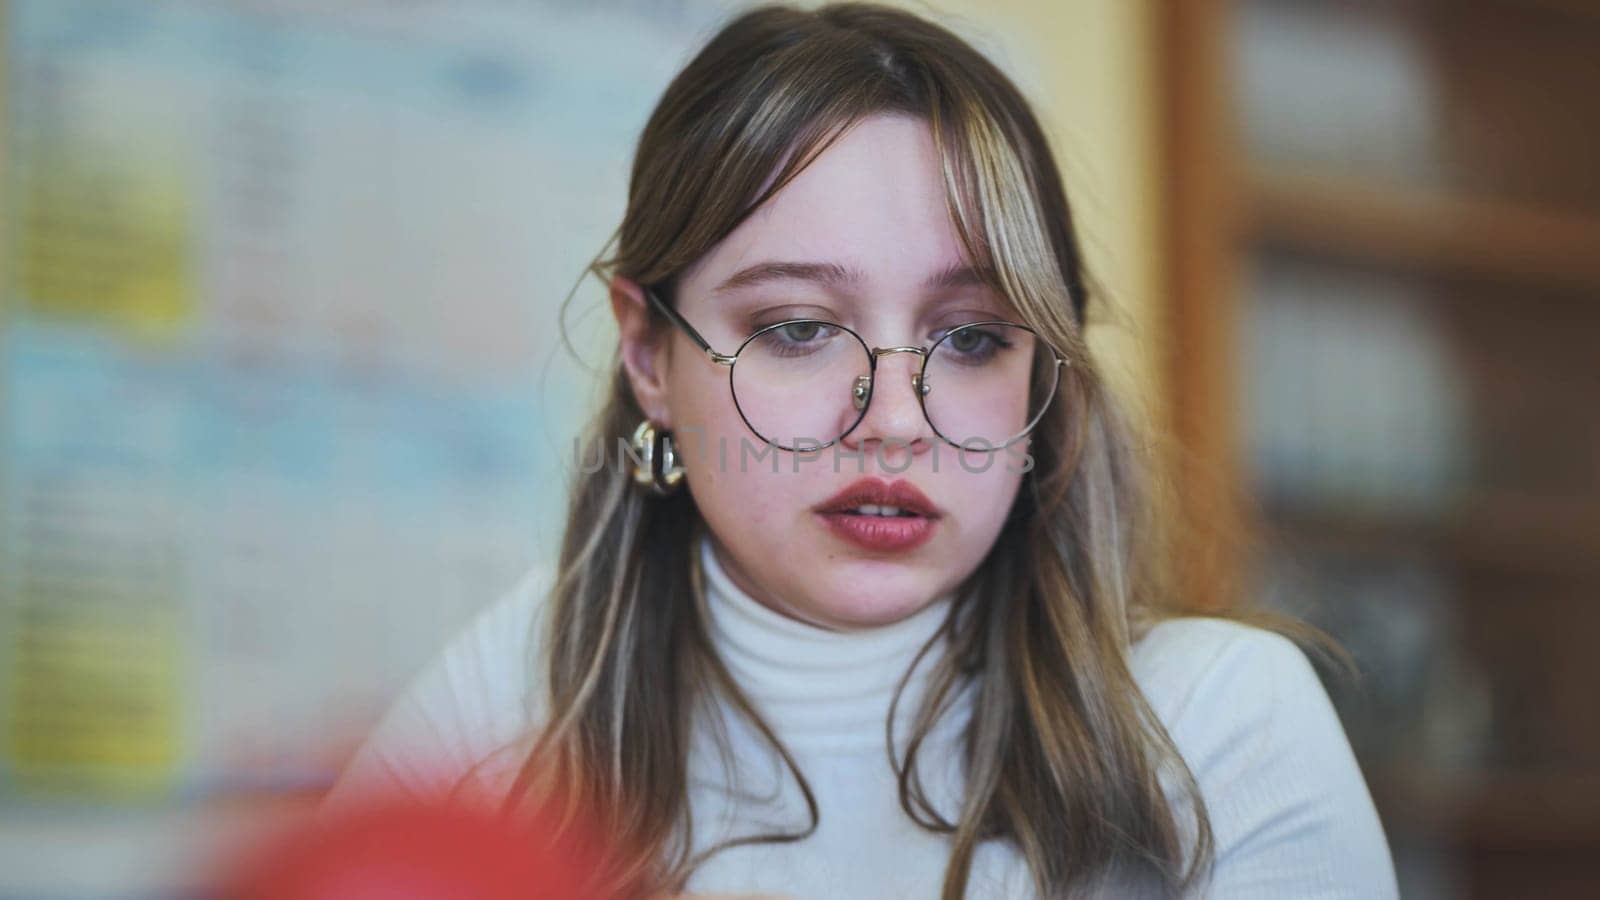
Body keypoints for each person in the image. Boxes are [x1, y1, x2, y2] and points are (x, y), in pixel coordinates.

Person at [321, 4, 1399, 898]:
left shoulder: (1219, 725)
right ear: (649, 352)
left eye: (971, 338)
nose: (893, 418)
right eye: (795, 328)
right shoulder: (512, 692)